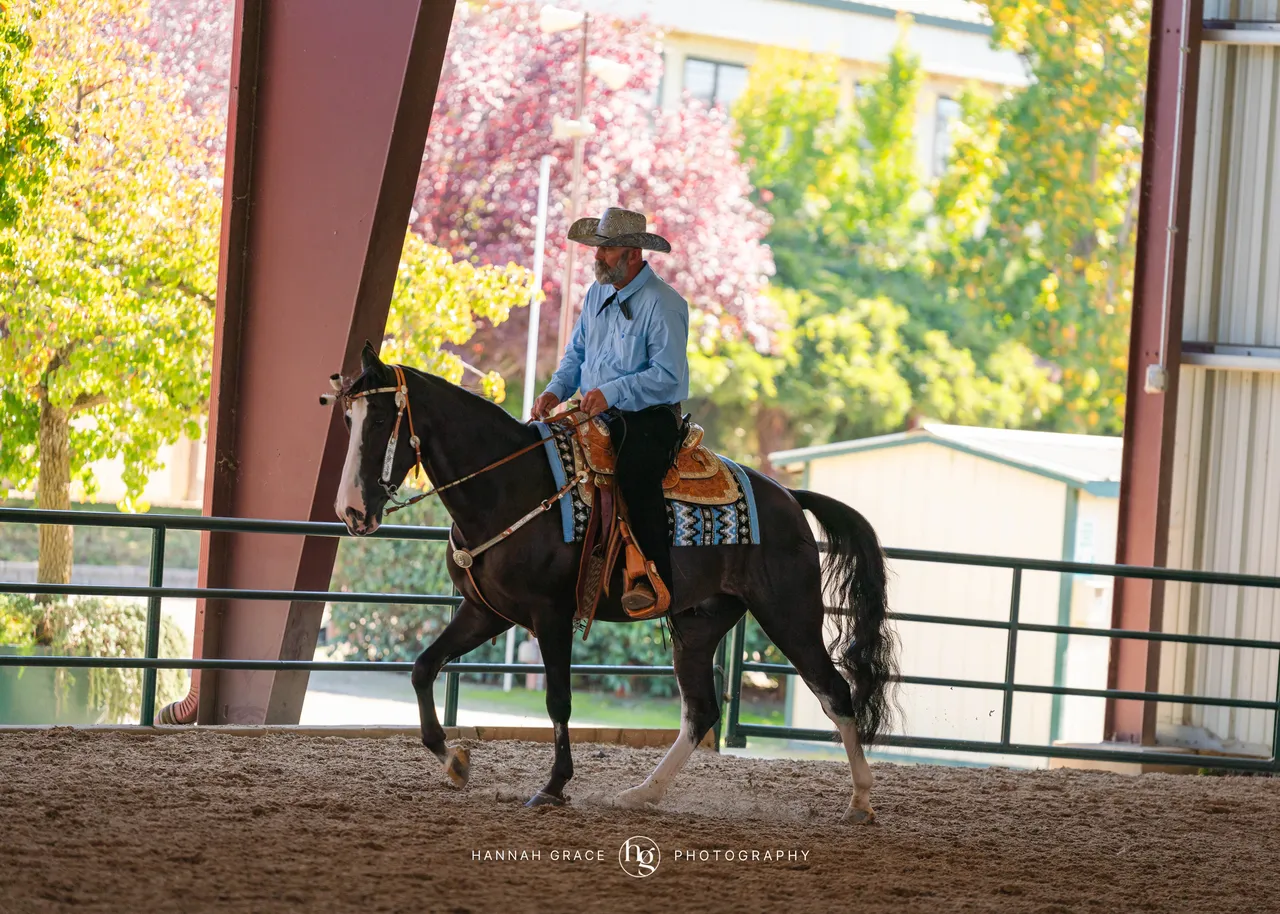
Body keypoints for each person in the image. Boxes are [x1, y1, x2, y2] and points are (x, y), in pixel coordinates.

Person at [531, 207, 689, 612]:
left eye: (607, 250)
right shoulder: (597, 293)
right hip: (595, 410)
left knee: (636, 476)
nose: (596, 257)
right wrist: (554, 391)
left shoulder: (665, 304)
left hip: (648, 416)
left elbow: (668, 376)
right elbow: (577, 353)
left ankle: (652, 578)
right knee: (539, 456)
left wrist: (612, 392)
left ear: (633, 254)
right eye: (596, 249)